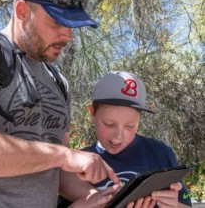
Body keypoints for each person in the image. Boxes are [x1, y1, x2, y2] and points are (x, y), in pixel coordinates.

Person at [0, 0, 121, 207]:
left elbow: (59, 172)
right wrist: (63, 156)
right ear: (22, 11)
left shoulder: (58, 82)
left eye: (71, 25)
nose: (67, 35)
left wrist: (104, 198)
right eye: (57, 22)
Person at [58, 71, 192, 208]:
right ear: (92, 113)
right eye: (109, 124)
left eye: (130, 126)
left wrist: (174, 205)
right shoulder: (78, 165)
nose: (119, 136)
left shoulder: (159, 153)